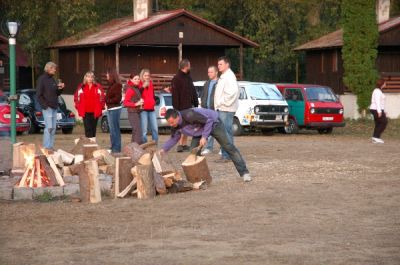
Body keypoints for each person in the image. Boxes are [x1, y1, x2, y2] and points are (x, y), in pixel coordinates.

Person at [160, 108, 251, 182]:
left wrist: (204, 136)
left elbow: (209, 121)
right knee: (193, 153)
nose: (171, 125)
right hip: (199, 130)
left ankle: (244, 173)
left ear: (177, 117)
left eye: (172, 122)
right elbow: (174, 138)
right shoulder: (175, 126)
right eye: (169, 123)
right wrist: (164, 149)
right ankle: (200, 179)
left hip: (214, 123)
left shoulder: (189, 115)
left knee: (228, 146)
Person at [214, 56, 239, 163]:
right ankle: (226, 154)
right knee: (224, 132)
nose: (218, 66)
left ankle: (227, 155)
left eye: (221, 64)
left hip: (226, 108)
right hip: (224, 108)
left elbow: (233, 92)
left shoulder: (229, 76)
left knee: (225, 132)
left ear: (227, 65)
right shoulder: (225, 76)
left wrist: (222, 102)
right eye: (218, 64)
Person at [171, 59, 199, 152]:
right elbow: (175, 95)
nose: (190, 67)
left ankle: (184, 144)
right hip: (180, 107)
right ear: (186, 66)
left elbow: (193, 91)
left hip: (189, 106)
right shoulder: (176, 78)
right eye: (189, 65)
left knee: (187, 126)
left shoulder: (188, 77)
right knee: (181, 126)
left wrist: (196, 103)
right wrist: (176, 109)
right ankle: (180, 145)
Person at [36, 62, 65, 151]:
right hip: (48, 107)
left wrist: (61, 88)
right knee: (48, 128)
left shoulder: (53, 79)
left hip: (54, 107)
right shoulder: (42, 79)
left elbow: (57, 93)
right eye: (54, 69)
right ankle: (46, 147)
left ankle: (51, 147)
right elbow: (39, 94)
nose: (55, 70)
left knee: (53, 128)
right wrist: (45, 106)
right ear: (48, 68)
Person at [74, 71, 105, 142]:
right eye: (88, 77)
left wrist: (101, 107)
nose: (90, 78)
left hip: (95, 111)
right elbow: (76, 98)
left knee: (93, 128)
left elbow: (102, 98)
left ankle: (92, 144)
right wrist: (78, 107)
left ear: (93, 78)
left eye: (91, 77)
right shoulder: (81, 87)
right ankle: (88, 144)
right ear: (85, 78)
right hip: (85, 111)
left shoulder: (98, 87)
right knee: (88, 128)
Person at [200, 65, 218, 155]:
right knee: (208, 129)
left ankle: (223, 149)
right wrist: (202, 105)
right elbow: (203, 95)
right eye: (208, 72)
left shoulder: (219, 83)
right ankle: (209, 148)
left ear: (216, 72)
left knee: (220, 130)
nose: (209, 74)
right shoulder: (206, 83)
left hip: (216, 110)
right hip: (206, 110)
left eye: (211, 72)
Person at [105, 69, 122, 153]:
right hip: (110, 109)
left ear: (111, 75)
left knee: (115, 129)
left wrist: (107, 100)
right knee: (112, 130)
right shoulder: (111, 85)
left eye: (107, 74)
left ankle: (117, 147)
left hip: (115, 109)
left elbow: (118, 98)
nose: (106, 76)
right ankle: (113, 146)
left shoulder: (117, 85)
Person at [139, 69, 158, 144]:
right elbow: (137, 94)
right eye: (145, 75)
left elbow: (152, 95)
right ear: (142, 76)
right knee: (144, 130)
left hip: (152, 109)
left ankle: (155, 144)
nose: (147, 77)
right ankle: (144, 145)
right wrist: (143, 87)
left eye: (148, 75)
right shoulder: (139, 83)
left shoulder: (151, 83)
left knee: (155, 128)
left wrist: (153, 102)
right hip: (143, 109)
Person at [124, 73, 144, 144]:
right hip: (132, 113)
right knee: (138, 131)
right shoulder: (130, 89)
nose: (137, 80)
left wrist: (141, 101)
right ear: (131, 80)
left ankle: (132, 148)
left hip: (137, 112)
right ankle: (137, 148)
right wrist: (136, 104)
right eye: (135, 79)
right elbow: (125, 102)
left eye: (138, 79)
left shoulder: (136, 88)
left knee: (136, 131)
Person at [370, 79, 388, 144]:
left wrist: (384, 110)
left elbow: (381, 103)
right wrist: (379, 111)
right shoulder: (377, 91)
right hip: (375, 109)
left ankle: (375, 137)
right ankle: (376, 137)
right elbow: (377, 102)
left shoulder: (379, 91)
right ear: (382, 83)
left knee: (378, 123)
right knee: (384, 122)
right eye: (385, 83)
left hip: (378, 109)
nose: (385, 84)